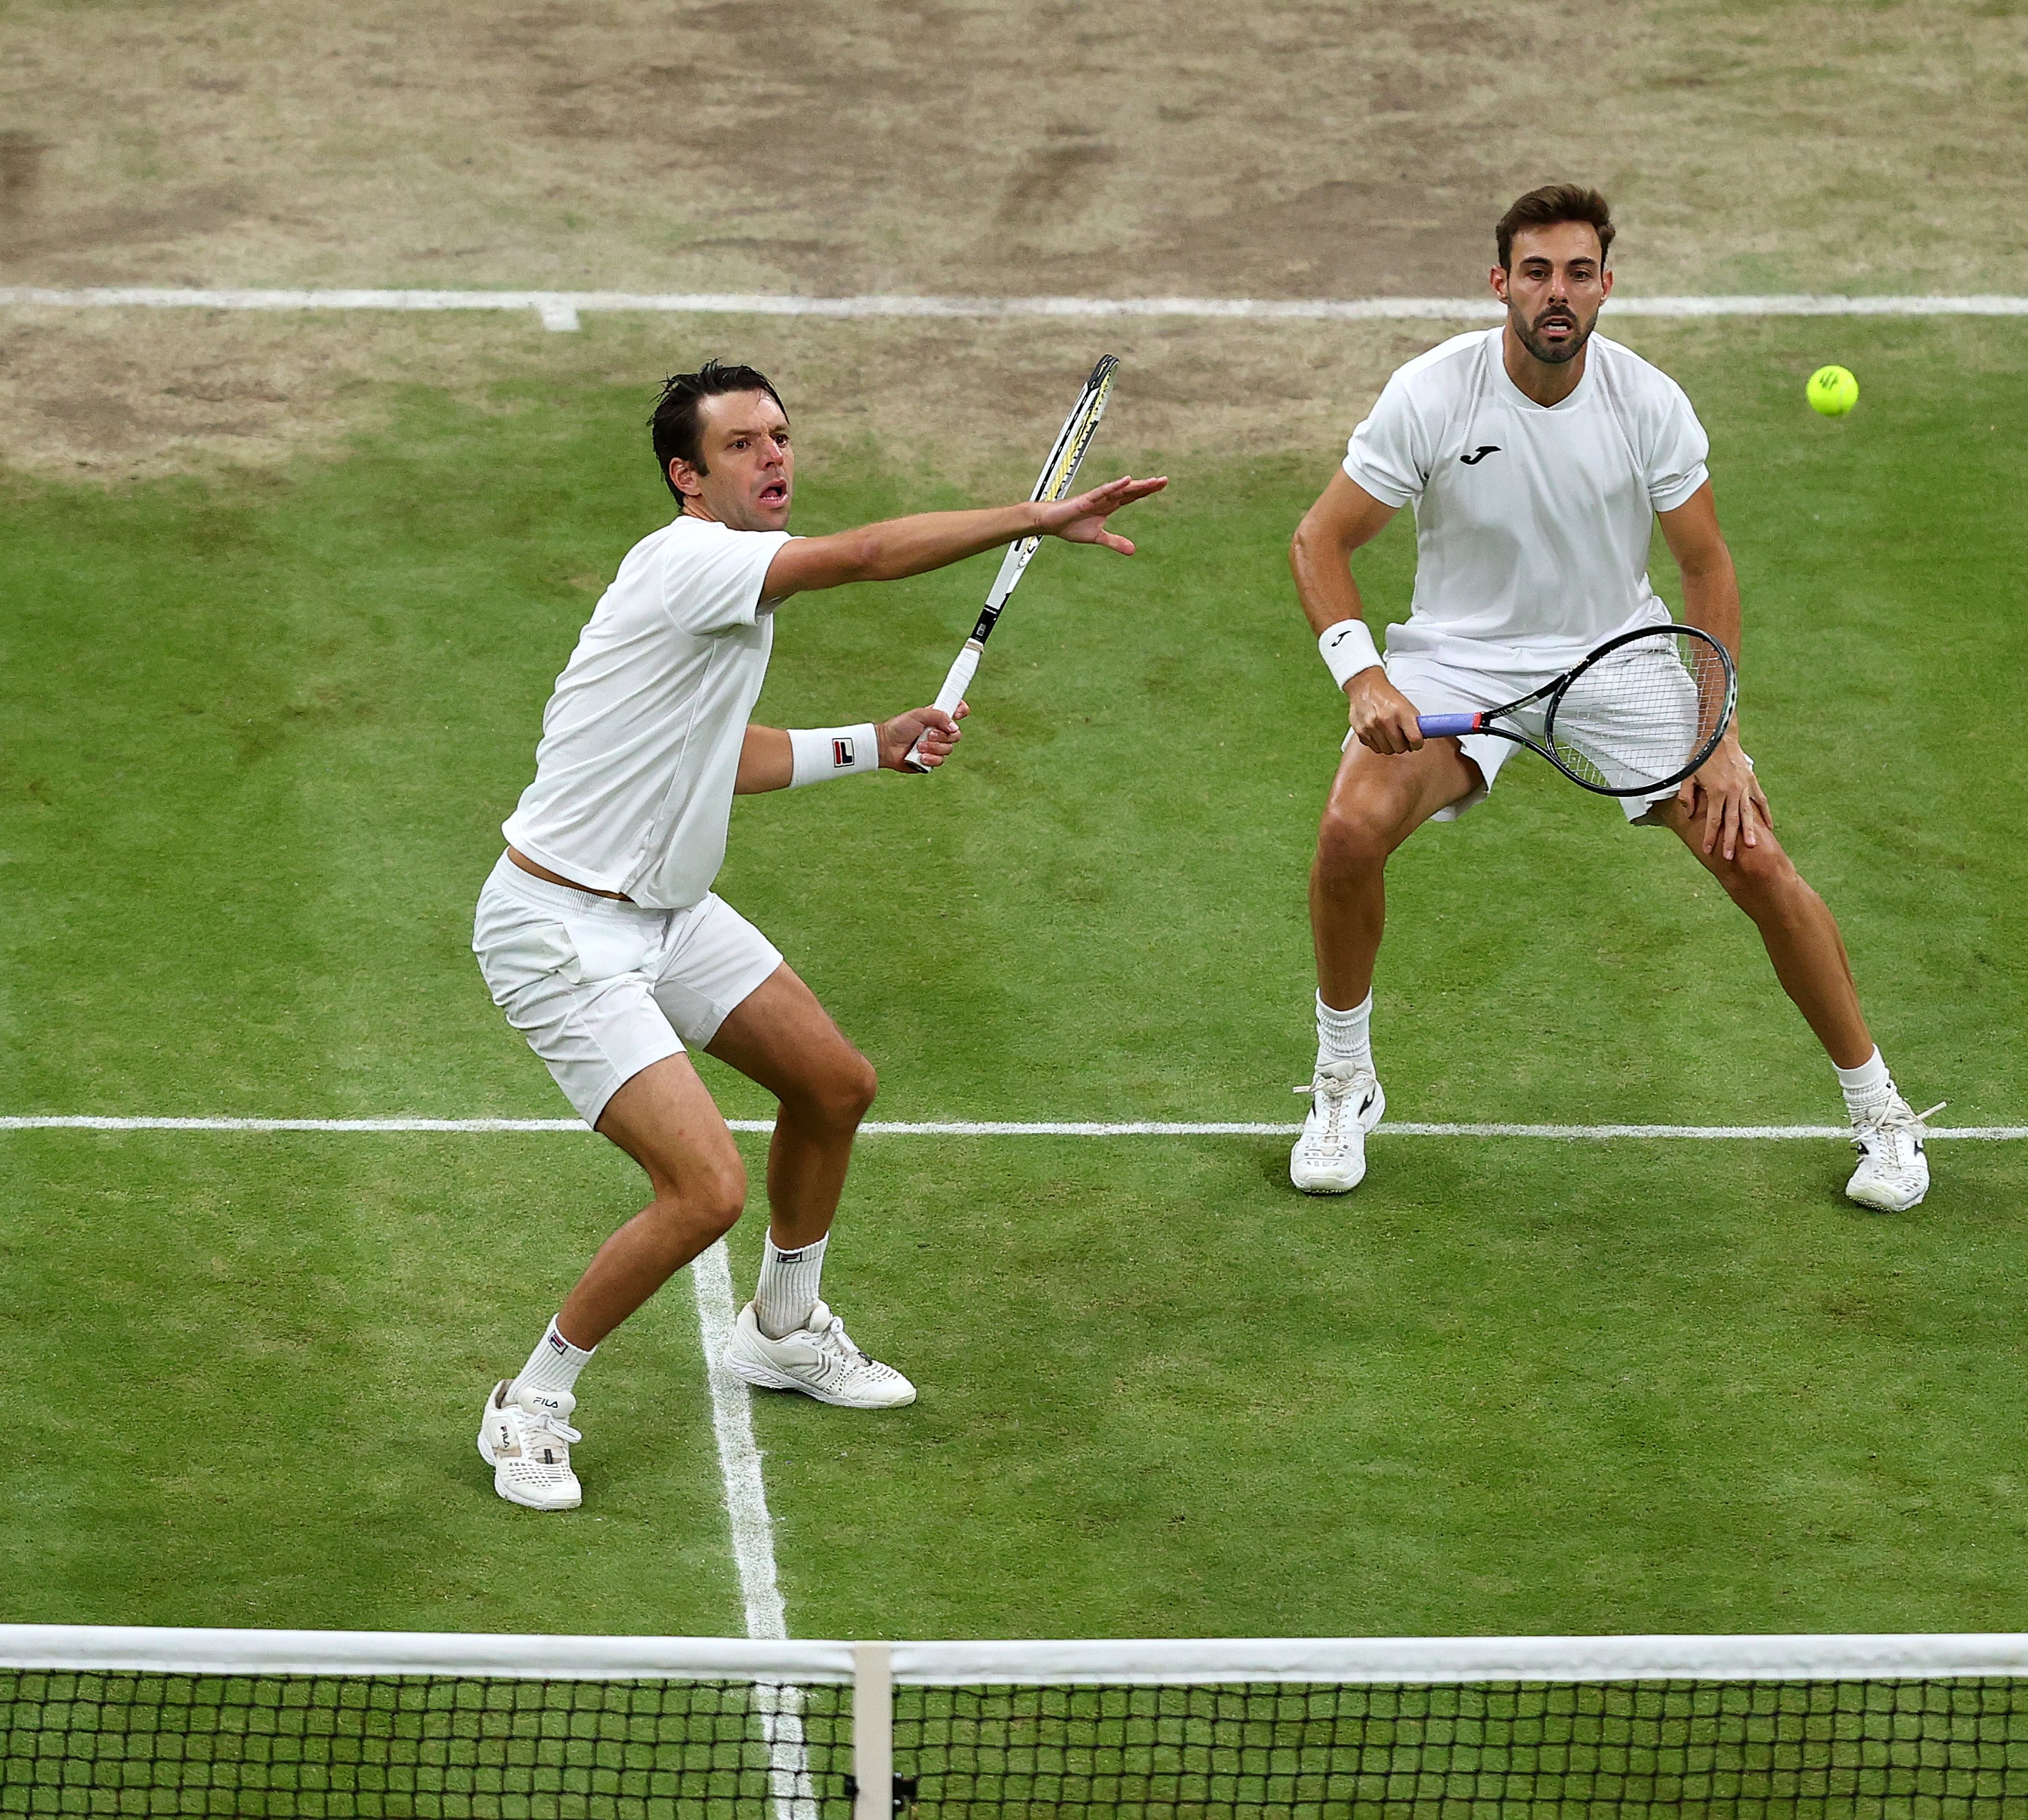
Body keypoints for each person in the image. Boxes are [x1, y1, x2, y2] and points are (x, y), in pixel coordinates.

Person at [474, 360, 1164, 1511]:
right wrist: (1035, 514)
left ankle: (782, 1332)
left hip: (667, 908)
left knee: (833, 1085)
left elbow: (720, 753)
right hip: (560, 929)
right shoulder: (694, 561)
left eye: (781, 437)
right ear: (688, 479)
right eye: (742, 445)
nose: (776, 458)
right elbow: (867, 556)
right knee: (703, 1191)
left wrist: (872, 744)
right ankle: (532, 1399)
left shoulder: (723, 590)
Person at [1285, 185, 1934, 1210]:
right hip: (1461, 661)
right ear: (1501, 283)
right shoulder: (1432, 393)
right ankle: (1343, 1083)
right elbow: (1319, 540)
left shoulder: (1648, 403)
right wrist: (1363, 672)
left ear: (1605, 287)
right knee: (1349, 832)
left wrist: (1717, 736)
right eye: (1537, 272)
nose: (1558, 294)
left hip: (1618, 661)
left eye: (1579, 274)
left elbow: (1706, 568)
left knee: (1754, 858)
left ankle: (1882, 1113)